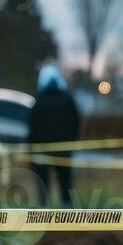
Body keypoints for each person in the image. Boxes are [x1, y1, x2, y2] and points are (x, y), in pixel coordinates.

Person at [28, 63, 81, 206]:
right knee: (65, 183)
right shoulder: (67, 100)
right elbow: (76, 123)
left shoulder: (39, 102)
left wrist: (31, 150)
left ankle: (42, 213)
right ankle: (67, 213)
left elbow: (32, 128)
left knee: (42, 184)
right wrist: (71, 143)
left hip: (42, 151)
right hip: (63, 150)